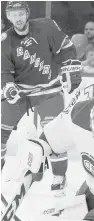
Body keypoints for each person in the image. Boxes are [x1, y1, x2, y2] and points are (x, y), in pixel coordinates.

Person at [1, 1, 82, 196]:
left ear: (27, 13)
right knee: (1, 132)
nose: (18, 18)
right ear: (8, 17)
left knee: (54, 135)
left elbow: (66, 48)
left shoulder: (46, 26)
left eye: (21, 13)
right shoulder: (5, 40)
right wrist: (9, 87)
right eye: (13, 14)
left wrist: (71, 66)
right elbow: (4, 71)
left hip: (49, 90)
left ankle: (59, 176)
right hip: (22, 93)